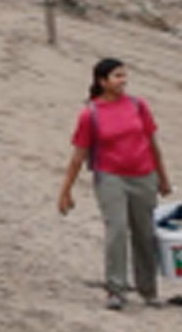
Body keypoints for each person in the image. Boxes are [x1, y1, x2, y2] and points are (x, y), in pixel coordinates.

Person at [57, 57, 172, 310]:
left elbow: (153, 145)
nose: (123, 81)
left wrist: (163, 178)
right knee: (117, 230)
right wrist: (66, 191)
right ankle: (116, 290)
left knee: (145, 233)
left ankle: (148, 290)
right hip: (110, 178)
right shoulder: (91, 114)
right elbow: (79, 156)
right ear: (102, 81)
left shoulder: (138, 106)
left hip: (144, 176)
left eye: (124, 75)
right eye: (117, 76)